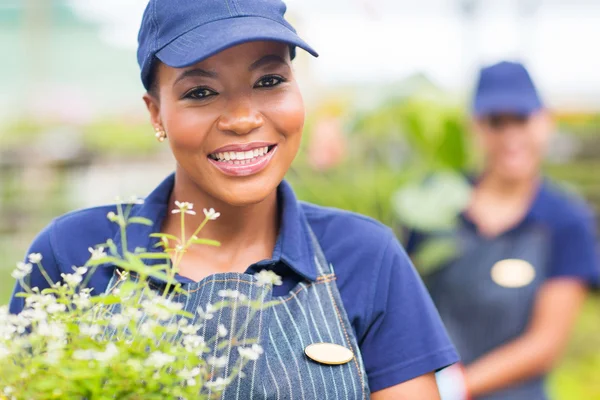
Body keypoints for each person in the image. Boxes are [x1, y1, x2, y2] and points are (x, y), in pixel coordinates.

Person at [9, 0, 459, 398]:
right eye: (201, 92)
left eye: (268, 81)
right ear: (156, 113)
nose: (243, 119)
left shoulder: (365, 256)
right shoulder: (71, 252)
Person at [408, 61, 599, 400]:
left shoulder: (565, 219)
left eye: (521, 119)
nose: (510, 136)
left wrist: (454, 388)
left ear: (544, 123)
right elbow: (405, 303)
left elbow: (546, 343)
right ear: (475, 127)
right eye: (496, 122)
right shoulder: (434, 204)